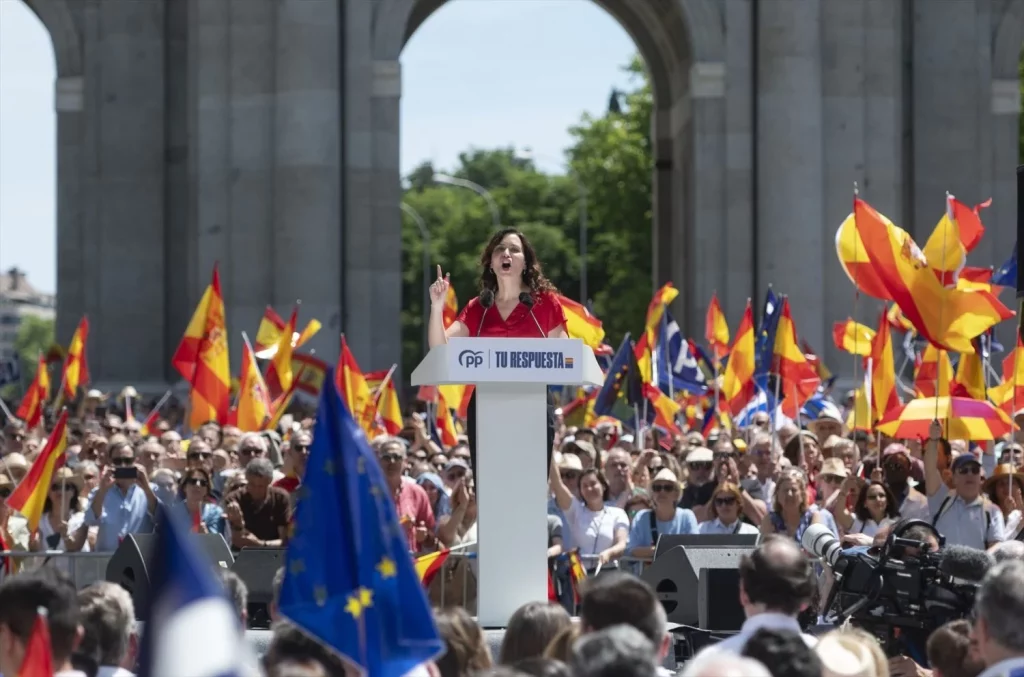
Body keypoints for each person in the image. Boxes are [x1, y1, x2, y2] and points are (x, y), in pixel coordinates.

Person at [428, 227, 570, 480]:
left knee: (528, 482)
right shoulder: (477, 308)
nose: (507, 254)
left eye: (514, 250)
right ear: (491, 263)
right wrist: (437, 307)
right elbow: (440, 349)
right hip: (485, 408)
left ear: (525, 262)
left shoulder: (545, 303)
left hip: (533, 406)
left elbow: (566, 355)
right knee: (492, 482)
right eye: (500, 249)